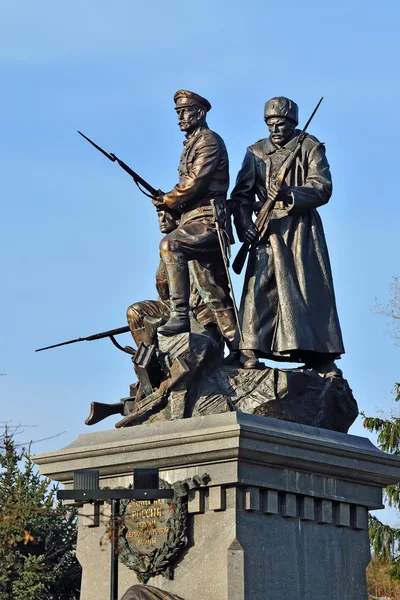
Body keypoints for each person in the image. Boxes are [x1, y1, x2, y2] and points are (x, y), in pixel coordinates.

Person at [231, 96, 344, 374]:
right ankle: (249, 348)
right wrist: (245, 223)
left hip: (301, 232)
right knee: (260, 288)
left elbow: (322, 187)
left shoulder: (309, 146)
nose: (275, 129)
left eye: (280, 123)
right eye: (270, 123)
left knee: (308, 291)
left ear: (292, 123)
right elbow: (241, 196)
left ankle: (319, 353)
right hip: (267, 228)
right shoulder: (256, 152)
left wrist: (290, 194)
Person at [152, 90, 236, 352]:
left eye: (184, 112)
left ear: (199, 113)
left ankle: (179, 315)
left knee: (171, 246)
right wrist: (167, 207)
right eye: (177, 113)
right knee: (212, 291)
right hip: (191, 220)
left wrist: (169, 198)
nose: (180, 117)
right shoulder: (191, 143)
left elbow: (194, 183)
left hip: (208, 220)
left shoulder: (208, 141)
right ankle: (239, 349)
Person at [126, 210, 222, 350]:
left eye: (166, 214)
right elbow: (164, 288)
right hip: (169, 309)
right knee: (135, 312)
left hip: (197, 313)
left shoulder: (193, 244)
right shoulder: (167, 250)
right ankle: (148, 356)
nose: (162, 220)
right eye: (159, 215)